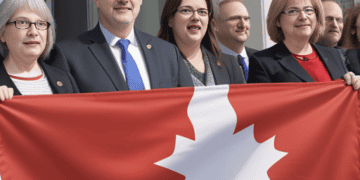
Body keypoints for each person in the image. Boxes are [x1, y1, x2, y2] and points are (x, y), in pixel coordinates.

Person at [46, 0, 193, 93]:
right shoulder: (67, 55)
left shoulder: (168, 52)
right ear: (96, 1)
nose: (123, 1)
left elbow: (189, 109)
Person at [247, 0, 360, 90]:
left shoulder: (335, 54)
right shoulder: (263, 62)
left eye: (308, 10)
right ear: (278, 21)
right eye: (292, 11)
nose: (303, 16)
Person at [0, 0, 79, 101]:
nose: (33, 32)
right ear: (2, 34)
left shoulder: (65, 79)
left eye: (41, 24)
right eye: (22, 22)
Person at [157, 0, 246, 86]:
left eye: (202, 12)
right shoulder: (156, 65)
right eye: (186, 10)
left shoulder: (231, 65)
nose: (196, 17)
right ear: (170, 19)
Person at [212, 0, 257, 81]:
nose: (243, 25)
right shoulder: (207, 62)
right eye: (234, 18)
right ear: (214, 25)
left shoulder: (262, 59)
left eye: (246, 19)